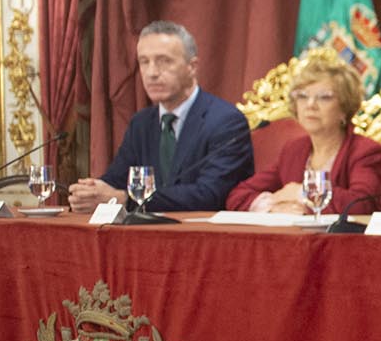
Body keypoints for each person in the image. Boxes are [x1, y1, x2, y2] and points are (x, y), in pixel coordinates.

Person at [69, 20, 253, 213]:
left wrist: (124, 199)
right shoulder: (141, 123)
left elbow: (210, 194)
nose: (152, 73)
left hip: (204, 236)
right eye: (144, 62)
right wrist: (92, 191)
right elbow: (117, 179)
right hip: (146, 236)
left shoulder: (226, 121)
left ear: (192, 67)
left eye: (164, 61)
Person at [225, 48, 381, 216]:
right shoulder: (294, 151)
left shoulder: (365, 151)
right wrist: (274, 206)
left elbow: (361, 205)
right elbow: (237, 196)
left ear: (344, 108)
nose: (310, 105)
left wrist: (301, 193)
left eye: (324, 97)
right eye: (302, 96)